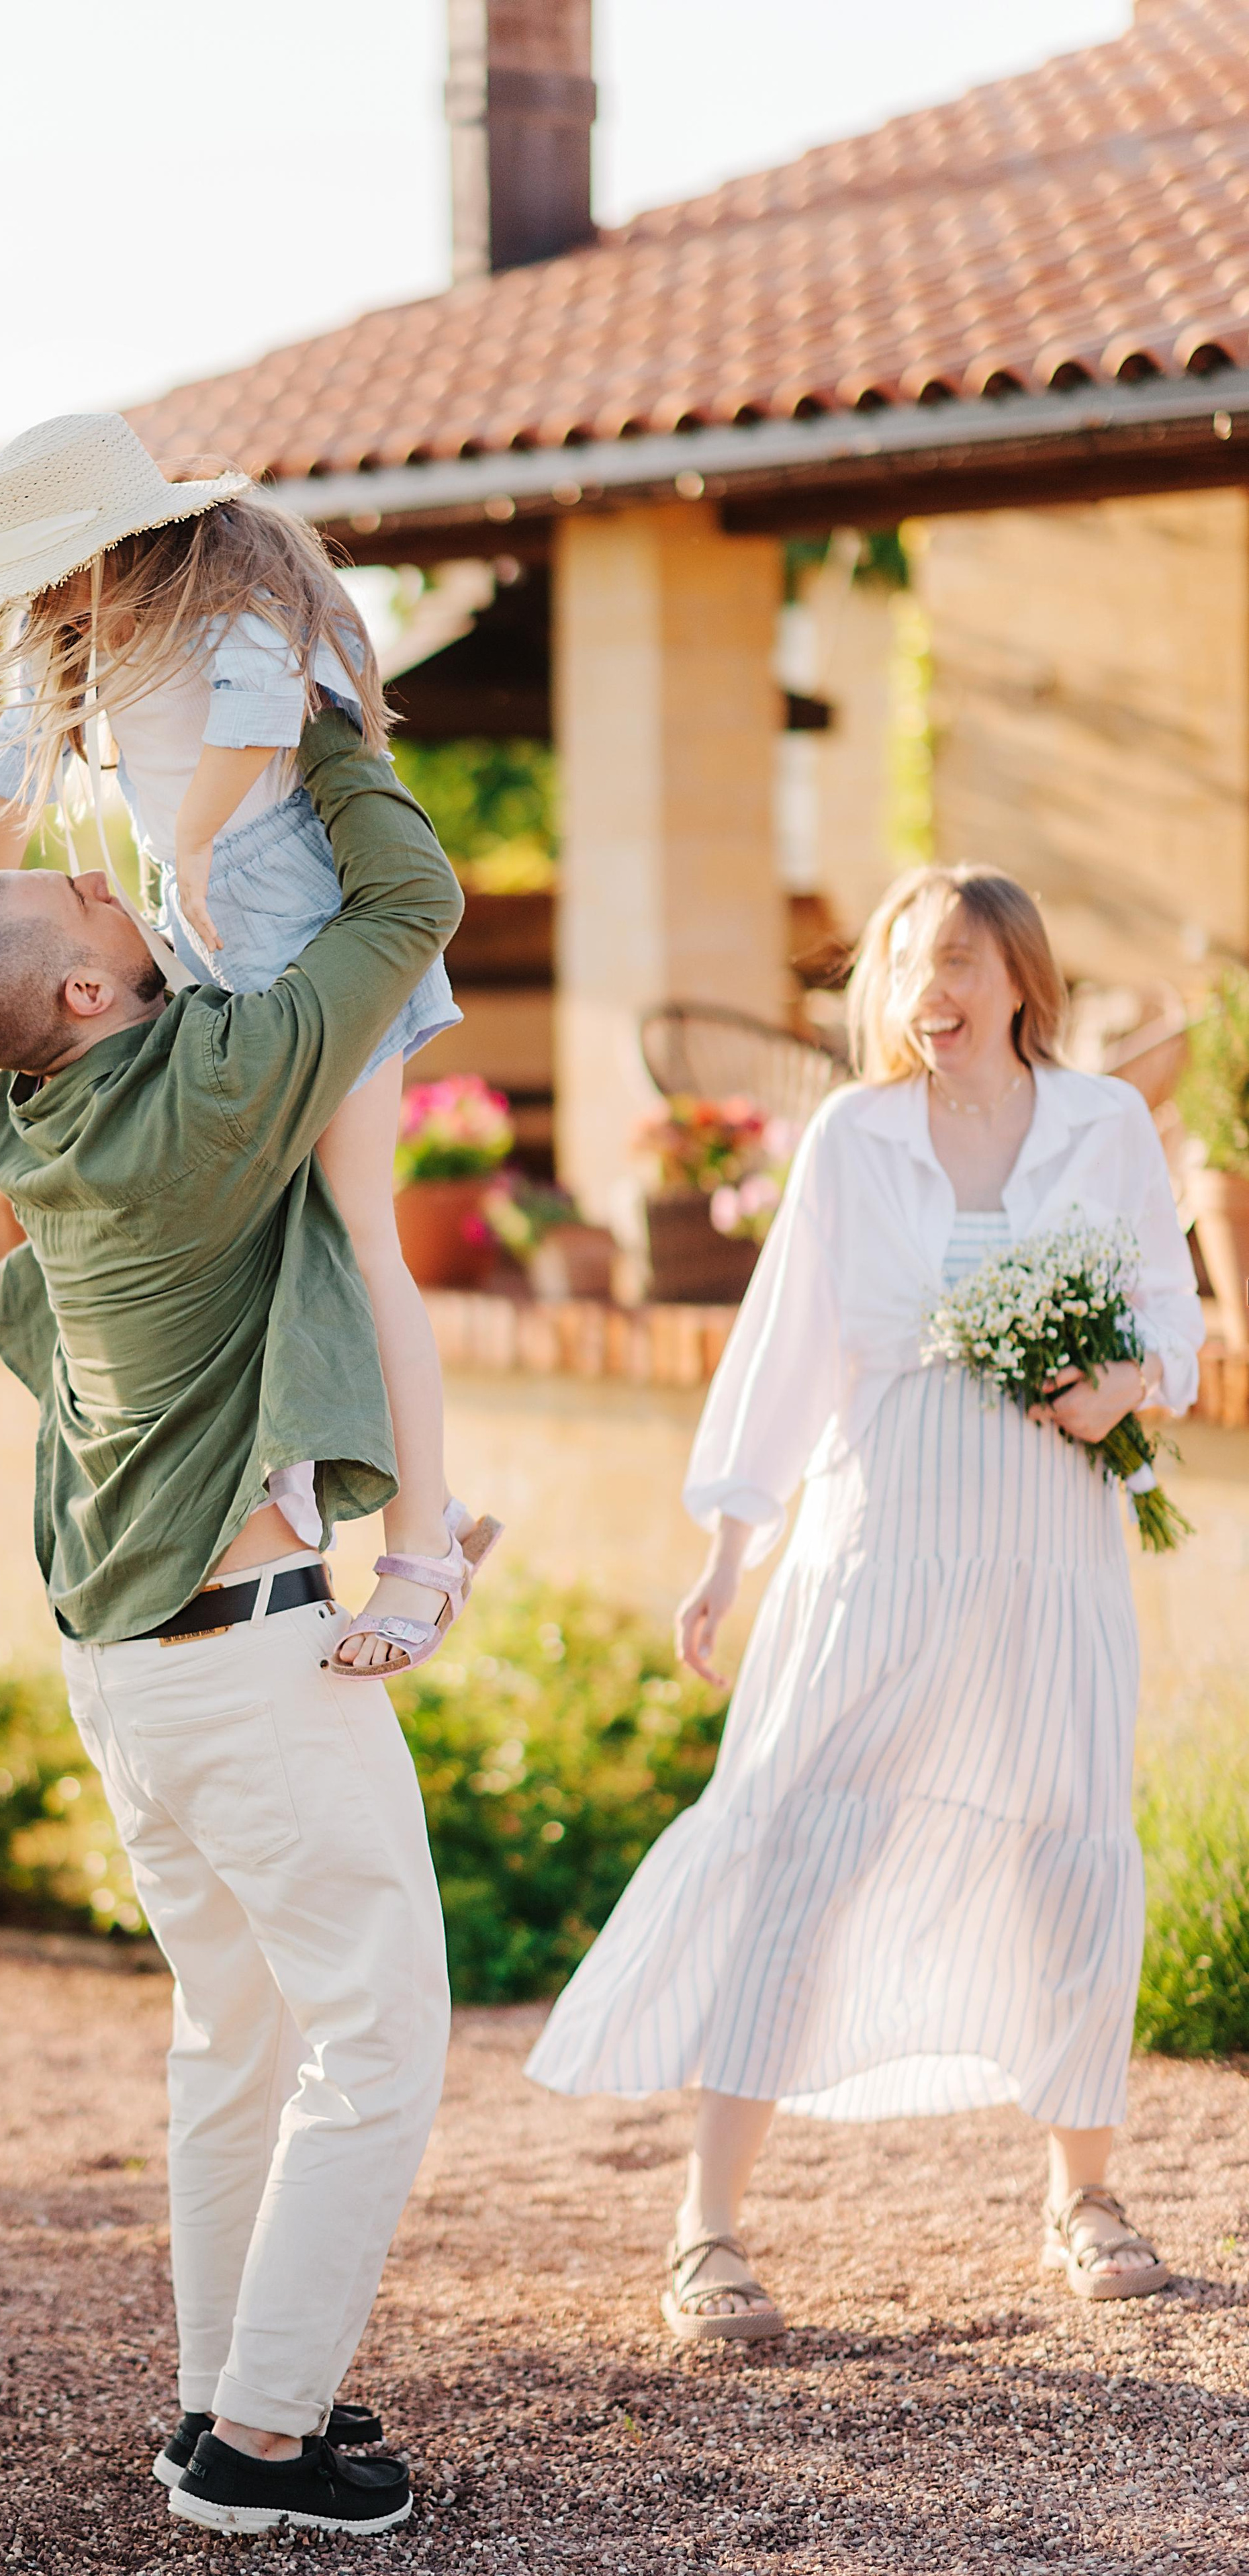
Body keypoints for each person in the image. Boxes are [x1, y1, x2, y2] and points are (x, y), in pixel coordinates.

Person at [0, 703, 469, 2535]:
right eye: (89, 900)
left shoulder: (37, 1105)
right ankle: (260, 2446)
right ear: (83, 998)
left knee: (237, 2039)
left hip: (137, 1672)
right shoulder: (208, 1095)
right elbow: (412, 901)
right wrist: (311, 718)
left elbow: (34, 919)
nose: (113, 872)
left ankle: (218, 2396)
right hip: (244, 1660)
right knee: (383, 2036)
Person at [526, 866, 1203, 2340]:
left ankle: (1079, 2197)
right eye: (904, 959)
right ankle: (706, 2231)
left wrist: (1123, 1384)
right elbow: (786, 1350)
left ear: (1018, 977)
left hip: (1048, 1548)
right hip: (875, 1539)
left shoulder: (1097, 1126)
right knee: (797, 1840)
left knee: (1065, 1849)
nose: (926, 985)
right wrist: (727, 1547)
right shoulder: (851, 1135)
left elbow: (1172, 1308)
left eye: (955, 957)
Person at [0, 408, 494, 1677]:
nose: (43, 606)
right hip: (209, 958)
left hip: (305, 930)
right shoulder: (72, 641)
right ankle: (377, 1490)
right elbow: (11, 789)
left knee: (356, 1235)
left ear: (111, 543)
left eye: (51, 574)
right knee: (269, 1238)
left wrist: (181, 853)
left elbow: (253, 733)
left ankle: (424, 1551)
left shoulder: (234, 601)